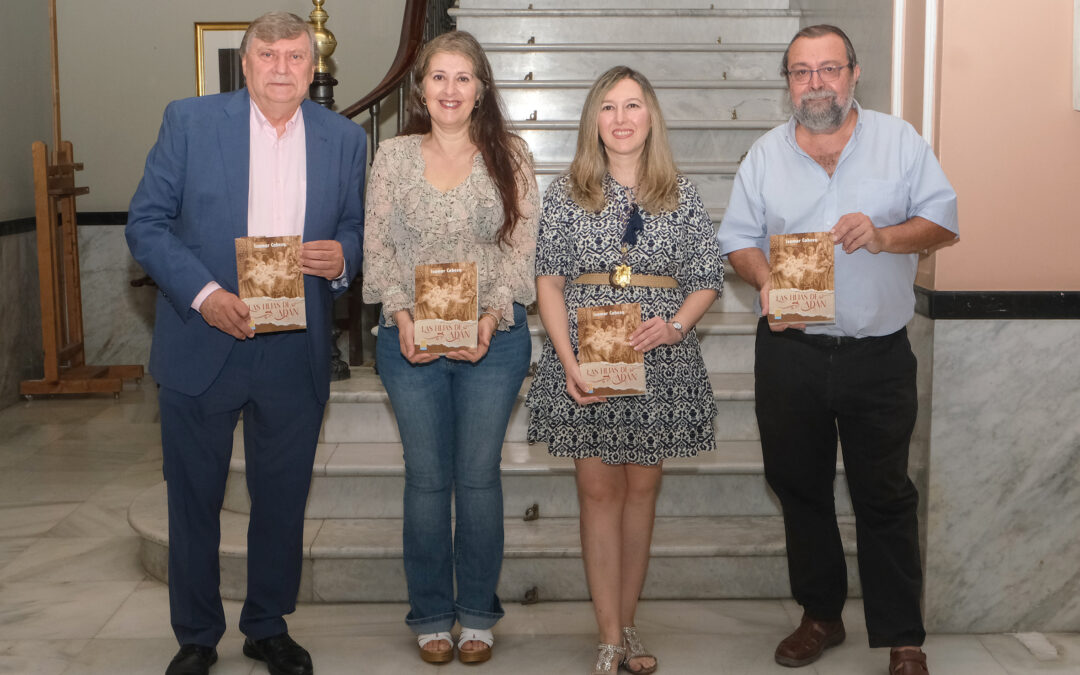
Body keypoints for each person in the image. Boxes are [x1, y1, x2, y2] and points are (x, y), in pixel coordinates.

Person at [126, 12, 365, 675]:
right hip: (204, 338)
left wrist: (340, 258)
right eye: (269, 55)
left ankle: (266, 623)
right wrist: (206, 296)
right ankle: (197, 636)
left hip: (295, 347)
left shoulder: (345, 138)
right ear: (247, 62)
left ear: (311, 66)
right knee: (194, 498)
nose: (283, 67)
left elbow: (354, 228)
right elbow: (145, 223)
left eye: (296, 56)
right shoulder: (189, 122)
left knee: (283, 500)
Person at [717, 24, 958, 675]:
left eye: (828, 69)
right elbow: (737, 239)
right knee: (799, 487)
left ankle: (903, 636)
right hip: (790, 354)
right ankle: (821, 614)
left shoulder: (899, 142)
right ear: (788, 82)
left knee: (884, 492)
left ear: (853, 75)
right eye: (801, 71)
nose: (816, 82)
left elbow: (942, 221)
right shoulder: (765, 155)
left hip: (877, 355)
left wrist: (883, 236)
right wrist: (765, 279)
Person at [526, 66, 723, 675]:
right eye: (608, 107)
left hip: (659, 360)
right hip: (589, 359)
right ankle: (608, 634)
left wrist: (675, 326)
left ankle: (630, 624)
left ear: (650, 117)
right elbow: (549, 282)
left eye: (633, 105)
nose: (621, 118)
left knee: (642, 490)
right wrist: (568, 359)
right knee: (597, 490)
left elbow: (708, 278)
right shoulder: (565, 193)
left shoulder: (680, 193)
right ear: (594, 121)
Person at [361, 30, 539, 666]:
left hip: (495, 342)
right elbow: (376, 247)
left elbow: (524, 251)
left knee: (478, 478)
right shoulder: (393, 158)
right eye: (438, 77)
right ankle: (433, 614)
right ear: (420, 89)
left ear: (482, 89)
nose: (450, 89)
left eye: (464, 77)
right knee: (429, 480)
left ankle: (480, 617)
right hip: (407, 341)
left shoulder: (511, 155)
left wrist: (490, 319)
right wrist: (401, 313)